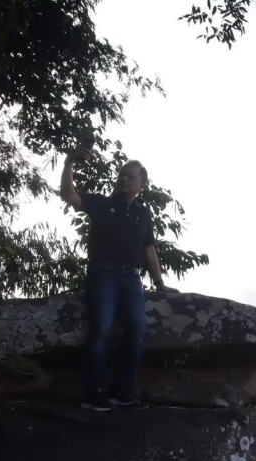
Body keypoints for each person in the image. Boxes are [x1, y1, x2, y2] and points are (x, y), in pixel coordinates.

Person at [60, 140, 179, 411]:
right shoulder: (102, 204)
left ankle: (123, 388)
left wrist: (159, 283)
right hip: (103, 273)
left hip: (132, 279)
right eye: (122, 174)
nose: (124, 178)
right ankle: (94, 392)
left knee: (137, 330)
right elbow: (69, 195)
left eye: (131, 176)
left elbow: (149, 250)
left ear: (142, 185)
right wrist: (69, 162)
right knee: (101, 329)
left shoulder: (142, 213)